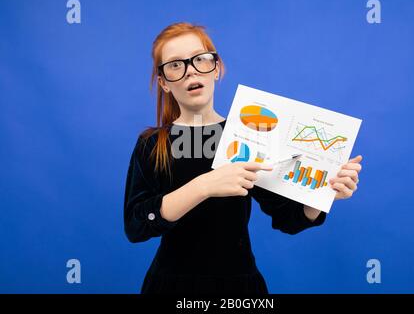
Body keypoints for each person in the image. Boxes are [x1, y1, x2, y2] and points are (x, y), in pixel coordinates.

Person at [123, 22, 363, 294]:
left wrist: (322, 195)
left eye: (199, 59)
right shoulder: (152, 144)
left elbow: (288, 218)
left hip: (240, 288)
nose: (190, 70)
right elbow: (136, 224)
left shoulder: (249, 134)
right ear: (164, 82)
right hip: (171, 286)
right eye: (176, 65)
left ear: (216, 68)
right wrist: (204, 186)